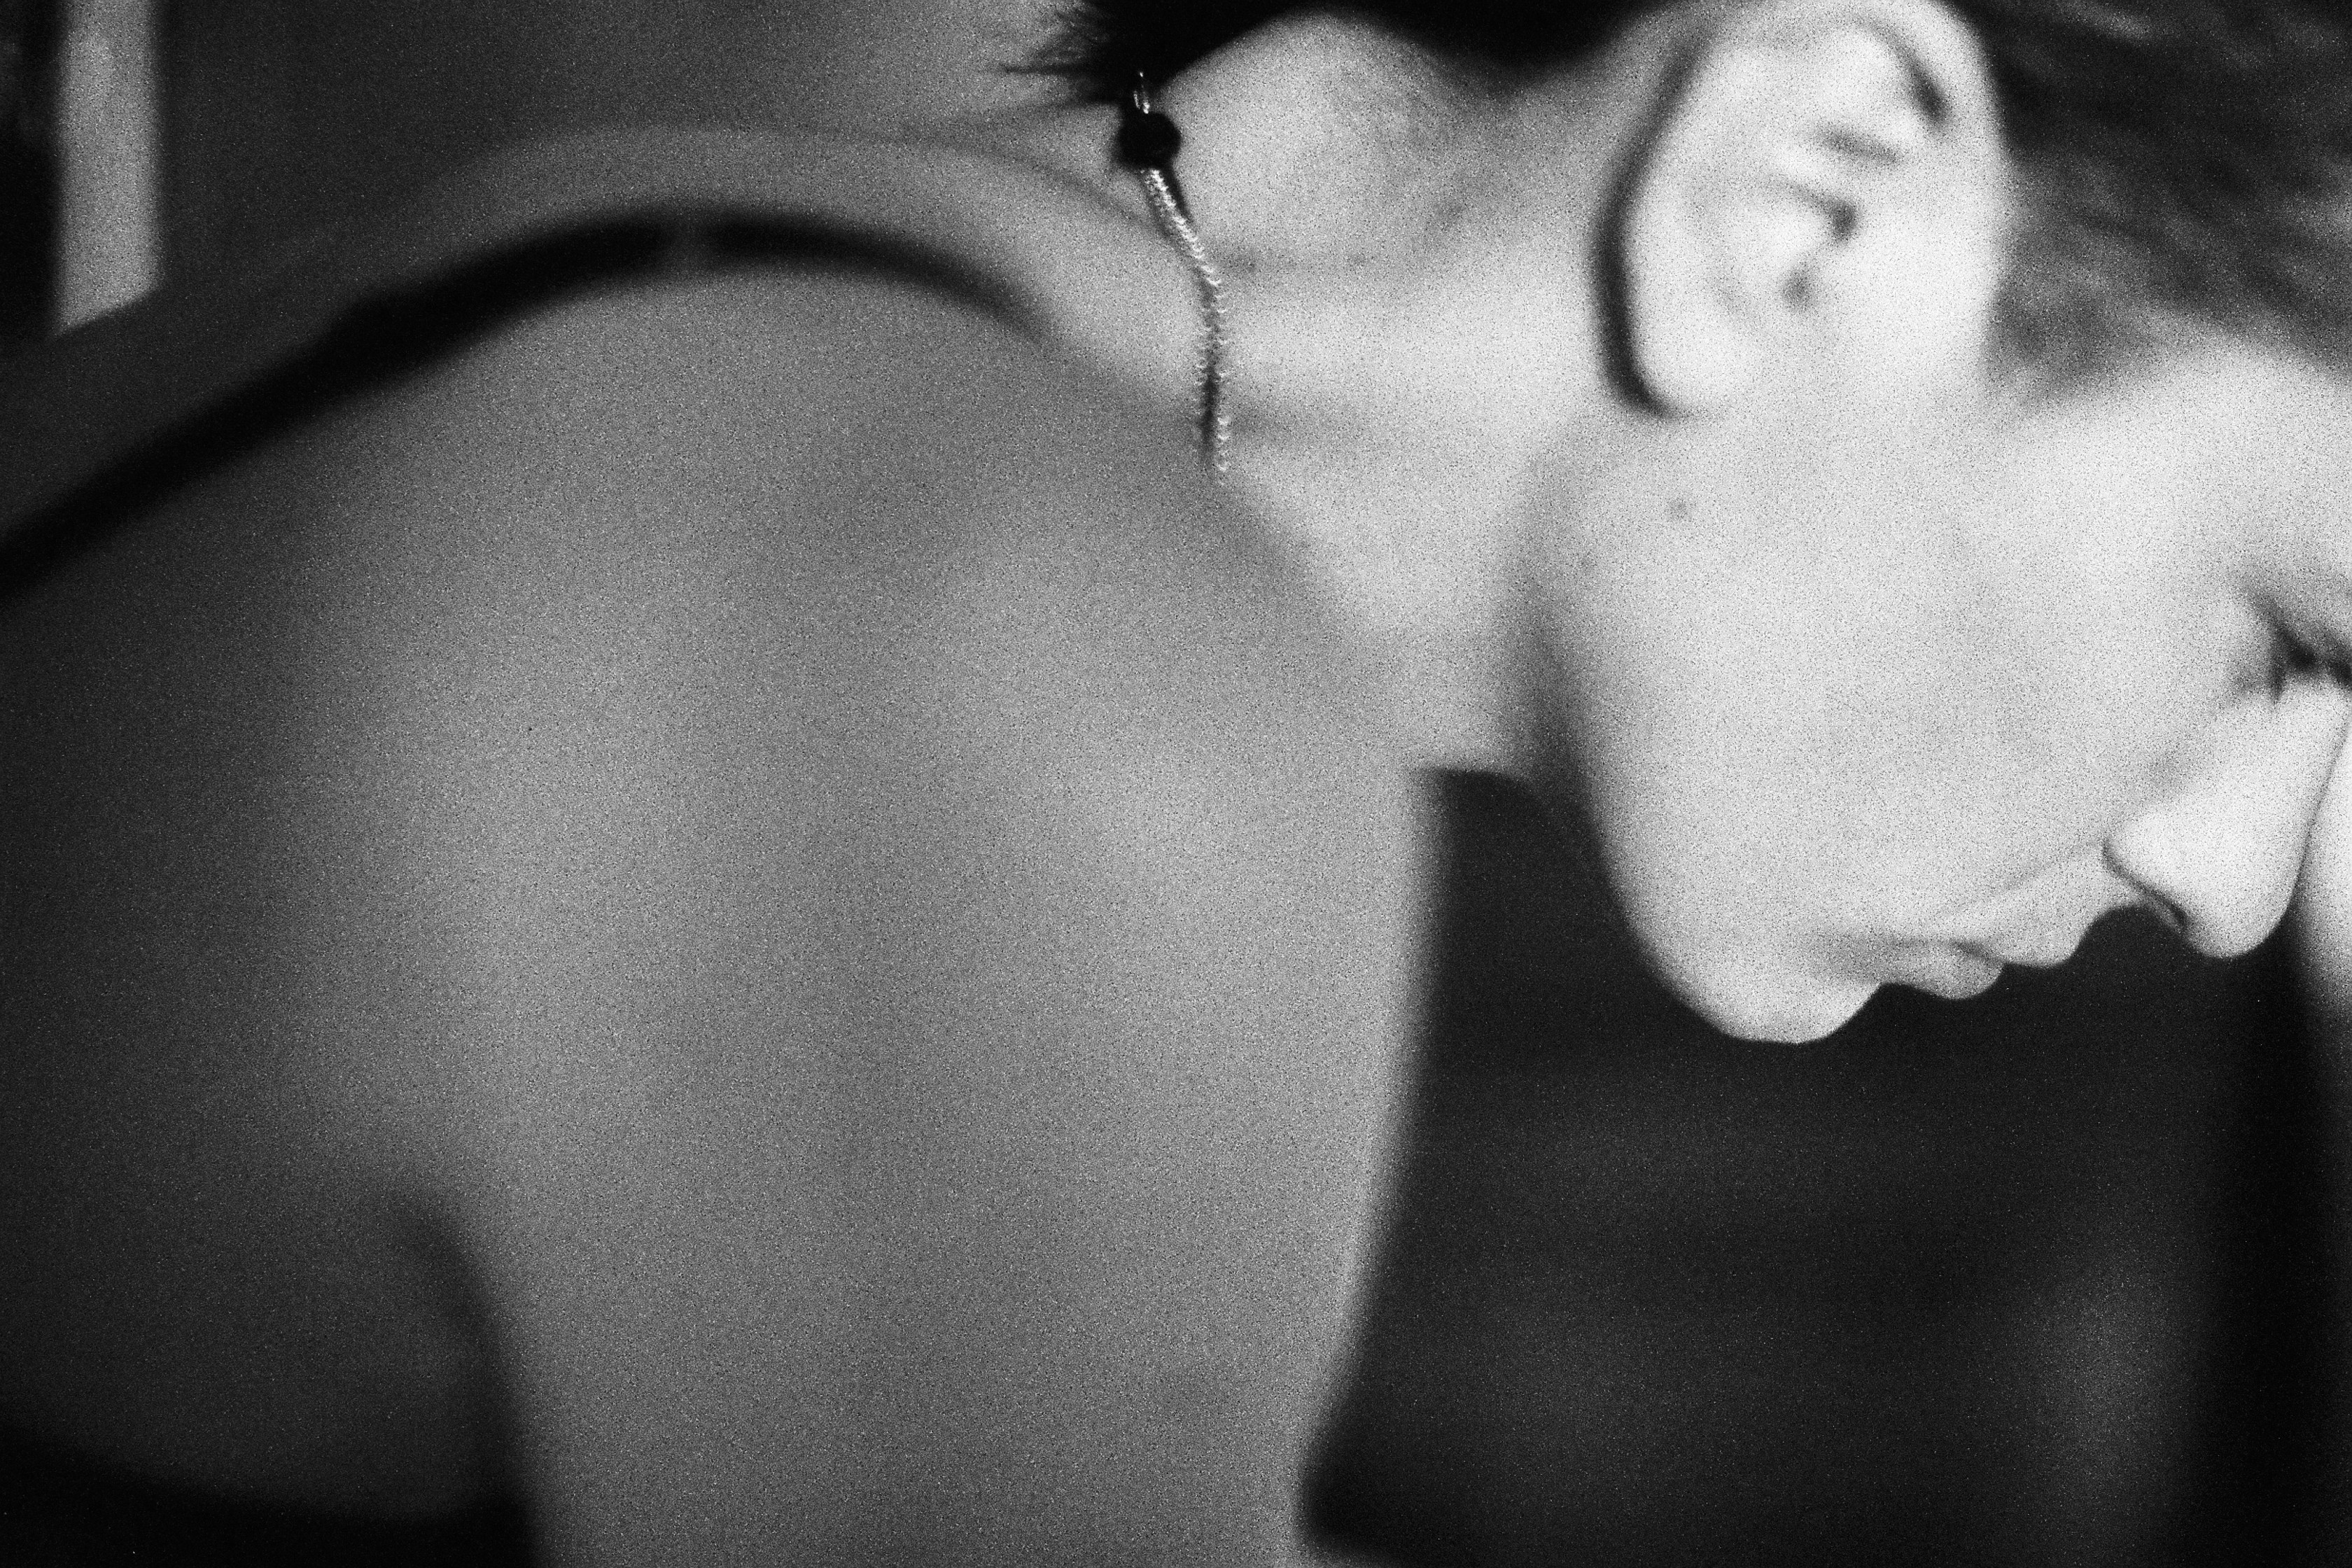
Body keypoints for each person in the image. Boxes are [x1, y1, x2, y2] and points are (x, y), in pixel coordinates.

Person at [4, 0, 2351, 1561]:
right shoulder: (993, 653)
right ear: (1815, 190)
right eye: (2286, 636)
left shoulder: (728, 328)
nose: (2237, 878)